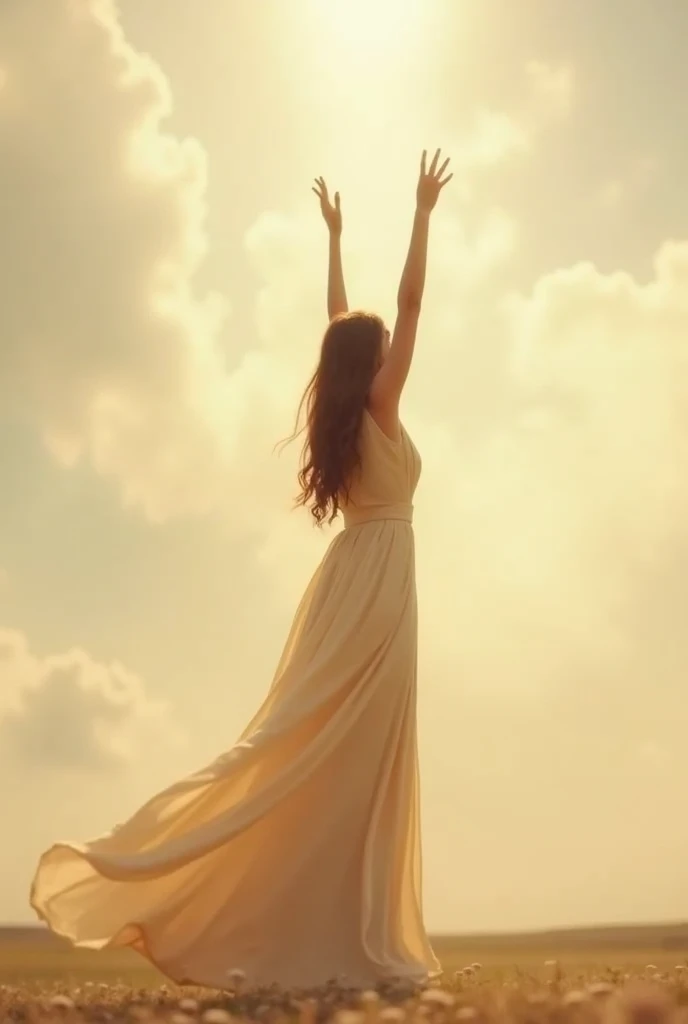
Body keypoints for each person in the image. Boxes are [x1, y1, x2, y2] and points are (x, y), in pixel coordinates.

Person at [29, 149, 453, 991]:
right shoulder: (380, 403)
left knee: (312, 745)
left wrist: (333, 239)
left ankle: (312, 915)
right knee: (356, 756)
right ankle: (329, 923)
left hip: (353, 582)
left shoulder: (349, 402)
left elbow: (342, 319)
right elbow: (408, 304)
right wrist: (422, 212)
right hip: (381, 591)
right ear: (372, 366)